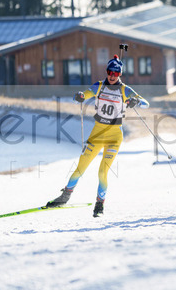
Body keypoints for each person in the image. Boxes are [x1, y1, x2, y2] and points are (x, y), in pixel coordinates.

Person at [46, 55, 149, 217]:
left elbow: (145, 103)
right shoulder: (99, 86)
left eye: (116, 73)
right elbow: (84, 95)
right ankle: (64, 197)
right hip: (97, 133)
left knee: (102, 172)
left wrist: (136, 101)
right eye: (110, 72)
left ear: (120, 74)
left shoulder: (125, 90)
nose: (112, 76)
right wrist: (79, 96)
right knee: (81, 167)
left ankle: (99, 205)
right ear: (106, 71)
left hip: (114, 137)